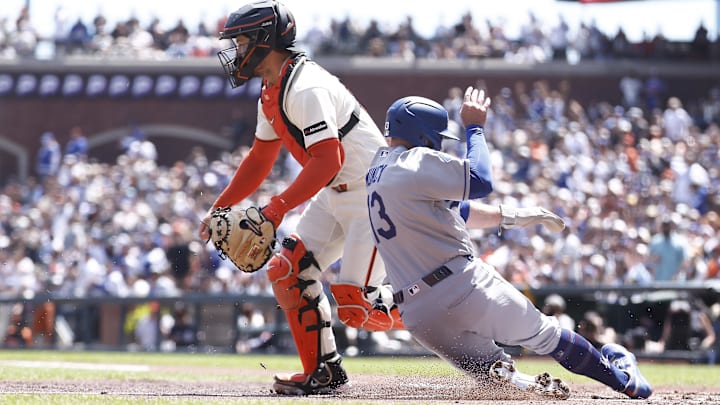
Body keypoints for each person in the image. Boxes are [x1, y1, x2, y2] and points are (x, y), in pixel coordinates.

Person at [365, 86, 652, 399]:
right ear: (423, 135)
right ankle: (624, 381)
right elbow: (480, 180)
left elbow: (457, 210)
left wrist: (513, 215)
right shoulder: (416, 159)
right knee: (547, 336)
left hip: (419, 314)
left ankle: (523, 383)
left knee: (493, 374)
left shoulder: (378, 171)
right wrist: (475, 128)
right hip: (461, 286)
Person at [198, 0, 403, 395]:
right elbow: (260, 158)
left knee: (357, 308)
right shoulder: (272, 88)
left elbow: (329, 159)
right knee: (286, 271)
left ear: (264, 41)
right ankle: (322, 374)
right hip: (336, 192)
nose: (236, 53)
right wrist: (218, 207)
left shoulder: (305, 87)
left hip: (371, 194)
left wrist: (275, 210)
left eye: (241, 42)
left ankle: (442, 316)